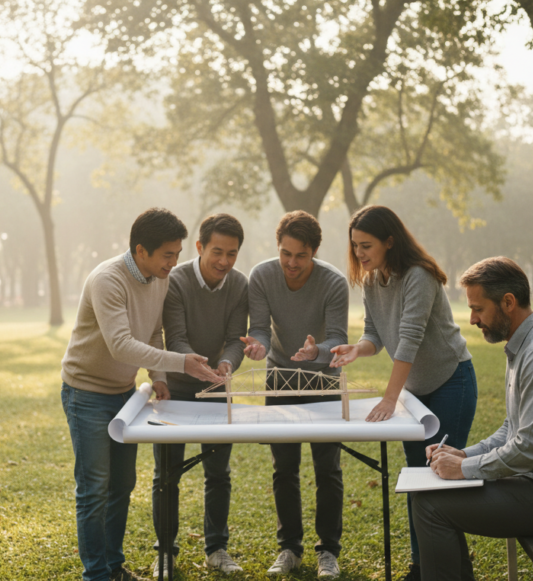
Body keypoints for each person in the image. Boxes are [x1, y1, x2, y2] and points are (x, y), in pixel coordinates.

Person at [414, 256, 533, 581]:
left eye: (478, 309)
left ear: (508, 302)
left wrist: (463, 469)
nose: (472, 319)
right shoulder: (523, 346)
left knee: (431, 507)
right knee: (429, 499)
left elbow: (532, 448)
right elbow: (512, 430)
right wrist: (464, 454)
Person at [61, 208, 222, 581]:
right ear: (140, 251)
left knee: (121, 485)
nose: (174, 262)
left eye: (178, 253)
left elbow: (151, 332)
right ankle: (97, 575)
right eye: (167, 254)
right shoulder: (107, 280)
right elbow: (120, 345)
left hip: (124, 395)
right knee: (94, 488)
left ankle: (114, 567)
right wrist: (182, 362)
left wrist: (159, 374)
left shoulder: (158, 278)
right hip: (85, 393)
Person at [328, 205, 477, 581]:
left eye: (366, 245)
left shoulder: (419, 276)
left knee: (442, 481)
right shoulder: (372, 280)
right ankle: (422, 567)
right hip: (416, 392)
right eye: (355, 246)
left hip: (451, 382)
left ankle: (447, 572)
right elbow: (375, 335)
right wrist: (356, 349)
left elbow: (408, 340)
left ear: (389, 241)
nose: (359, 254)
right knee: (418, 481)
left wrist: (390, 399)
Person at [242, 210, 349, 578]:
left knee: (327, 469)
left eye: (300, 256)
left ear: (314, 253)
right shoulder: (262, 275)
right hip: (280, 379)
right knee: (284, 467)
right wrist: (257, 347)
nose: (291, 262)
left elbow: (338, 338)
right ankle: (290, 548)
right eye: (286, 253)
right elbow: (258, 328)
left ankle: (328, 552)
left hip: (323, 380)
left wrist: (316, 350)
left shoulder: (334, 283)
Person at [150, 214, 249, 577]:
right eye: (217, 252)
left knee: (218, 473)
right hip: (174, 390)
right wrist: (198, 366)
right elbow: (174, 337)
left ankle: (217, 548)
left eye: (233, 254)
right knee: (166, 476)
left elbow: (237, 338)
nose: (225, 261)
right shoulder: (175, 280)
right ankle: (165, 552)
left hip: (216, 390)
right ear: (200, 248)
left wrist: (225, 365)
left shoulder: (240, 285)